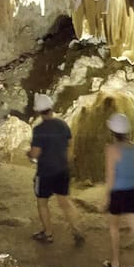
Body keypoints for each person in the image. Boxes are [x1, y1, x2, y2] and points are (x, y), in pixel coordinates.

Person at [27, 93, 84, 245]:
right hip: (62, 169)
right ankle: (77, 229)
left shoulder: (39, 129)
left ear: (38, 111)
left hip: (45, 172)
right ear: (51, 108)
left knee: (42, 203)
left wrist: (29, 154)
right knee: (65, 201)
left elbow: (35, 153)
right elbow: (70, 145)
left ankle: (48, 233)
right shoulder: (62, 124)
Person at [102, 113, 134, 267]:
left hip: (118, 193)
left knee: (114, 228)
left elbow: (110, 177)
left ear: (113, 132)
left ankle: (115, 262)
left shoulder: (111, 150)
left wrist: (106, 199)